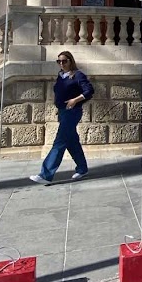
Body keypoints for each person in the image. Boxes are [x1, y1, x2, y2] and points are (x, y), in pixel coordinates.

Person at [30, 51, 94, 184]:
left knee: (59, 142)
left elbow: (89, 91)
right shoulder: (61, 76)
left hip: (73, 112)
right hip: (63, 112)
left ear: (70, 61)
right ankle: (82, 168)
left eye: (64, 61)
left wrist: (75, 100)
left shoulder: (77, 75)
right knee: (71, 141)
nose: (61, 64)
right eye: (59, 61)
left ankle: (45, 175)